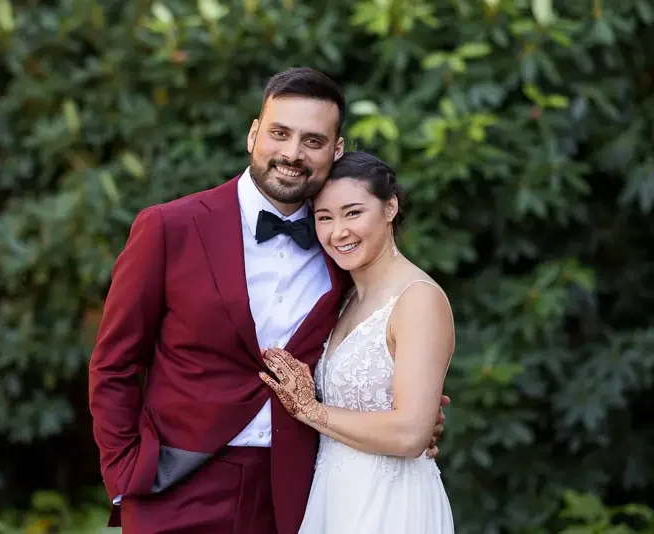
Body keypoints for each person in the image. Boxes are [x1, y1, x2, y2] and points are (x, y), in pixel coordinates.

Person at [88, 68, 449, 534]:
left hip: (297, 493)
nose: (293, 154)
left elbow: (387, 348)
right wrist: (124, 474)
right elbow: (114, 363)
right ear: (253, 133)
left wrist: (413, 418)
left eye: (313, 140)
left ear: (336, 150)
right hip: (175, 486)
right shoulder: (169, 227)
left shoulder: (341, 246)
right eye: (280, 133)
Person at [259, 150, 456, 533]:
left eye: (353, 213)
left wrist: (309, 410)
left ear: (390, 208)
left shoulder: (418, 299)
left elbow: (411, 434)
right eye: (324, 217)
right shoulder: (345, 296)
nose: (338, 232)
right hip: (334, 496)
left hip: (393, 503)